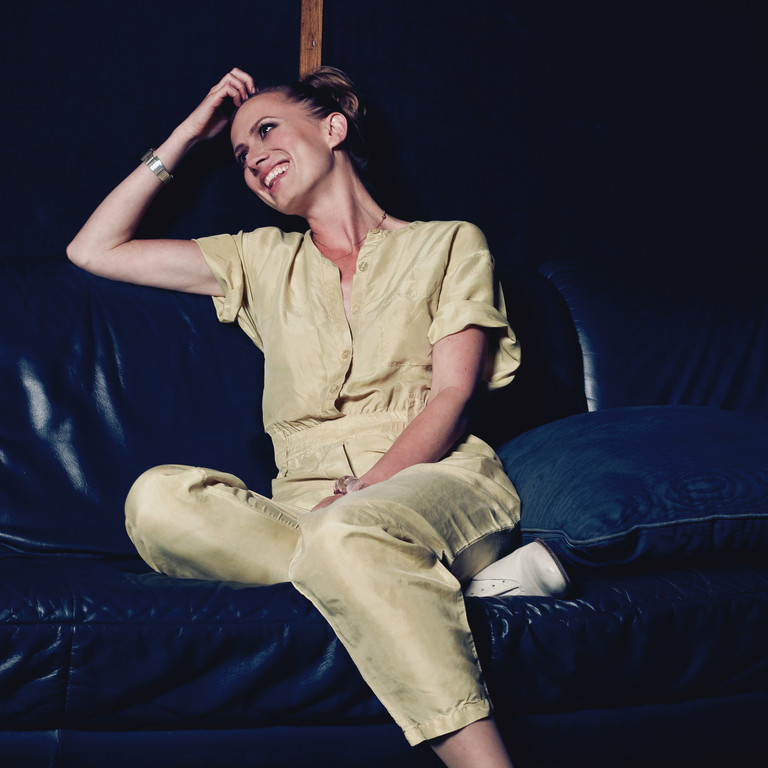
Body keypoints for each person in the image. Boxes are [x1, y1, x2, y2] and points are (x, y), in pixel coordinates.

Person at [67, 66, 569, 768]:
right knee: (157, 502)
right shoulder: (259, 259)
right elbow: (93, 249)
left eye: (267, 130)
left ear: (333, 128)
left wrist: (367, 489)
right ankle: (434, 583)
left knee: (348, 532)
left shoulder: (449, 243)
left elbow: (452, 396)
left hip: (436, 477)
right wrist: (188, 133)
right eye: (239, 154)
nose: (253, 158)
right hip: (304, 505)